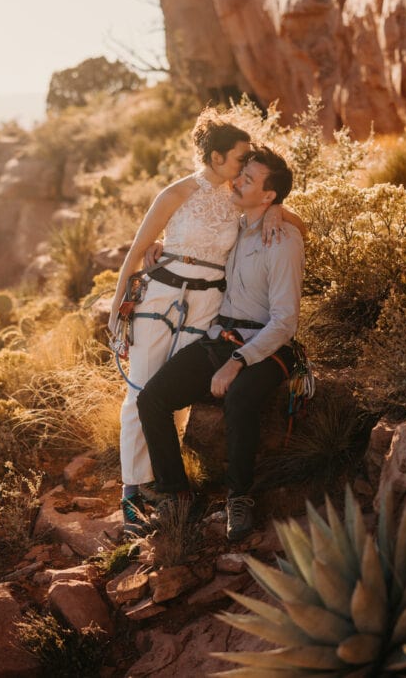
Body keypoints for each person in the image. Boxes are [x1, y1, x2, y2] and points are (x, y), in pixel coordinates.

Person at [109, 110, 303, 538]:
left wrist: (279, 211)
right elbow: (136, 250)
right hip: (163, 300)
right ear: (216, 158)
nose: (242, 170)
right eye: (240, 160)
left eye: (249, 168)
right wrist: (116, 312)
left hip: (209, 310)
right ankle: (132, 491)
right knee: (142, 389)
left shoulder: (242, 207)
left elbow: (289, 228)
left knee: (174, 393)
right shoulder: (178, 193)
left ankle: (172, 487)